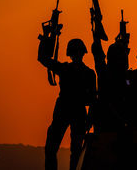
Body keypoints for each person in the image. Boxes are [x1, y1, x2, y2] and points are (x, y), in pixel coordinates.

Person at [38, 38, 96, 170]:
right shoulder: (86, 73)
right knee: (58, 150)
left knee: (71, 151)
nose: (77, 54)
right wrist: (47, 36)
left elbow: (92, 99)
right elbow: (42, 58)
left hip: (70, 111)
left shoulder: (69, 69)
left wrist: (46, 38)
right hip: (70, 111)